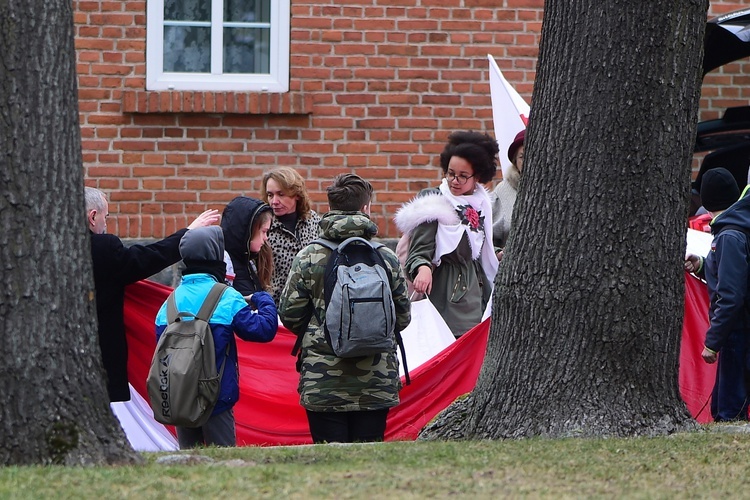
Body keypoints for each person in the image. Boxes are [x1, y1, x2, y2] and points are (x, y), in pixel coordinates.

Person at [278, 173, 411, 444]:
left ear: (330, 209)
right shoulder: (385, 256)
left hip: (323, 380)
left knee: (328, 462)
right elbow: (403, 316)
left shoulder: (309, 255)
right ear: (366, 208)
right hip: (376, 378)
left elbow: (289, 313)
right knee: (369, 458)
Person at [86, 186, 220, 402]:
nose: (105, 224)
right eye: (105, 217)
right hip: (100, 359)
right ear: (93, 217)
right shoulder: (102, 247)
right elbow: (149, 258)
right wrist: (187, 234)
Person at [155, 226, 277, 448]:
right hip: (217, 400)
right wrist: (262, 298)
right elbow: (264, 329)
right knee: (223, 462)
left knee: (188, 462)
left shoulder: (169, 302)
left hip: (179, 396)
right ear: (216, 255)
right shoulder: (225, 296)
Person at [395, 131, 499, 337]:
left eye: (463, 176)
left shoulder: (481, 203)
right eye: (450, 173)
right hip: (447, 294)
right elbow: (419, 250)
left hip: (478, 291)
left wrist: (498, 253)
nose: (454, 181)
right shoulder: (435, 200)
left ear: (477, 177)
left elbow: (477, 245)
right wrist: (422, 268)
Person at [684, 167, 750, 421]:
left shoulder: (729, 236)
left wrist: (713, 341)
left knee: (728, 411)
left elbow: (731, 294)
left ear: (708, 204)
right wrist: (702, 264)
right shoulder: (739, 227)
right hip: (740, 328)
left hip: (737, 332)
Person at [262, 167, 321, 304]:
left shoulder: (313, 221)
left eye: (281, 194)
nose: (274, 201)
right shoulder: (264, 227)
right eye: (270, 195)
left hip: (311, 308)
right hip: (276, 308)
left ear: (297, 195)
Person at [220, 196, 274, 296]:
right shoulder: (225, 265)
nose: (266, 238)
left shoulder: (249, 263)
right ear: (247, 231)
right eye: (263, 231)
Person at [491, 128, 525, 256]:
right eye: (522, 156)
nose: (528, 161)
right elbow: (485, 238)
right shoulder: (502, 192)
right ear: (515, 161)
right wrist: (498, 253)